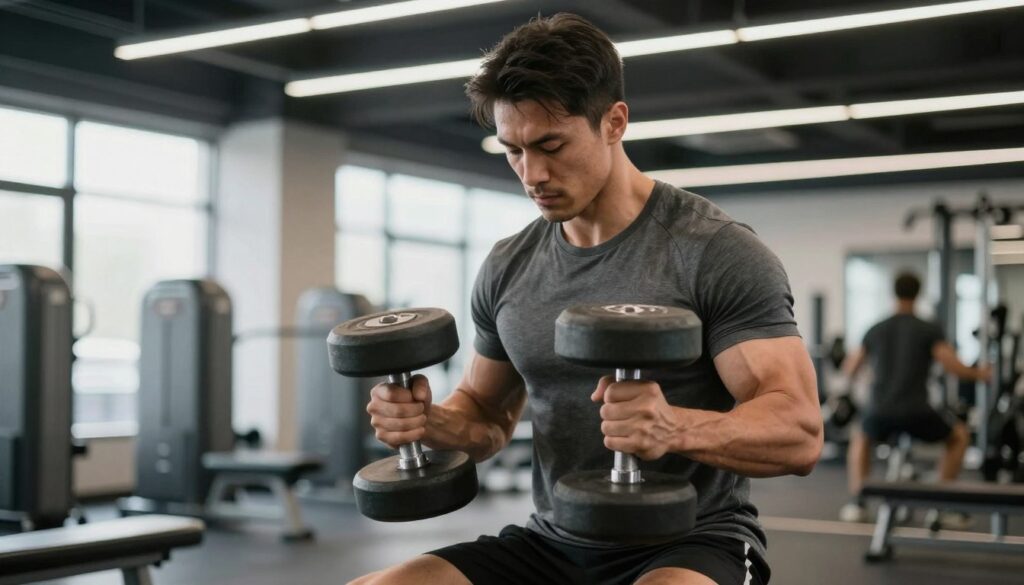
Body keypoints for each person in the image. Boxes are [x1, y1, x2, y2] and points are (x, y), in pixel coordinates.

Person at [350, 14, 822, 585]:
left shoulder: (713, 251)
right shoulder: (508, 266)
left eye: (551, 145)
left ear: (614, 122)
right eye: (513, 151)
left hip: (695, 540)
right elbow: (486, 414)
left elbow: (799, 431)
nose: (532, 173)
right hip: (551, 543)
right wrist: (430, 422)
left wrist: (673, 428)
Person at [839, 271, 990, 525]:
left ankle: (858, 503)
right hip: (916, 412)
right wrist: (982, 374)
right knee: (959, 436)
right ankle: (944, 505)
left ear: (894, 293)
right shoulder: (928, 329)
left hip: (880, 412)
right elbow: (954, 367)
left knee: (861, 437)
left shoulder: (876, 328)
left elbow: (850, 368)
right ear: (917, 294)